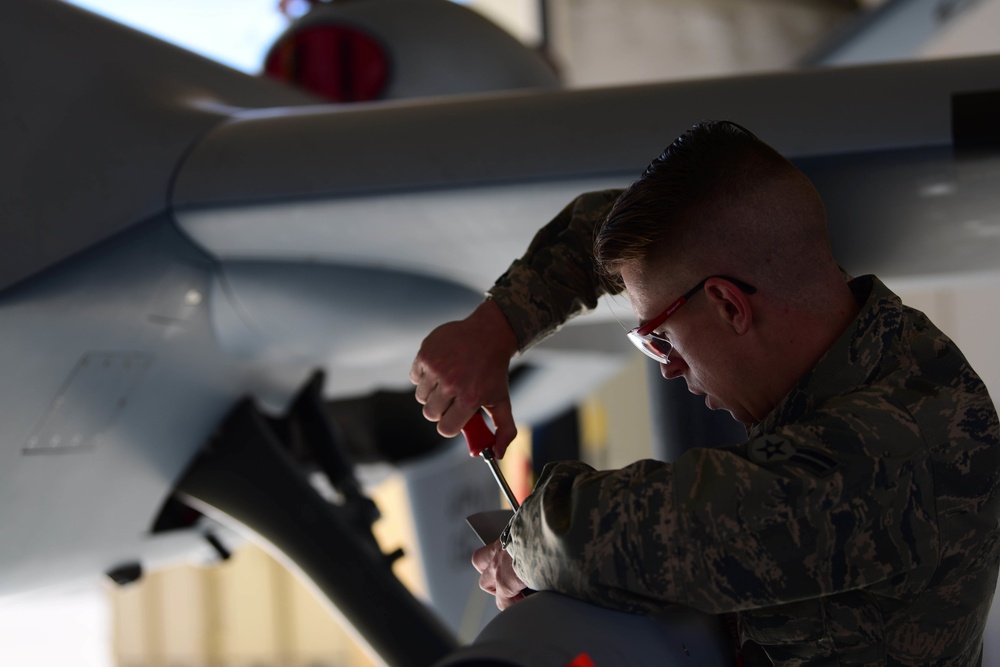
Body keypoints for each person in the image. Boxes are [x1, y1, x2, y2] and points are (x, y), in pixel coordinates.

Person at [409, 120, 1000, 665]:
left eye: (659, 338)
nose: (667, 368)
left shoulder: (904, 451)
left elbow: (614, 532)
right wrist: (494, 328)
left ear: (726, 304)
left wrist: (520, 550)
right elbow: (620, 232)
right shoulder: (818, 303)